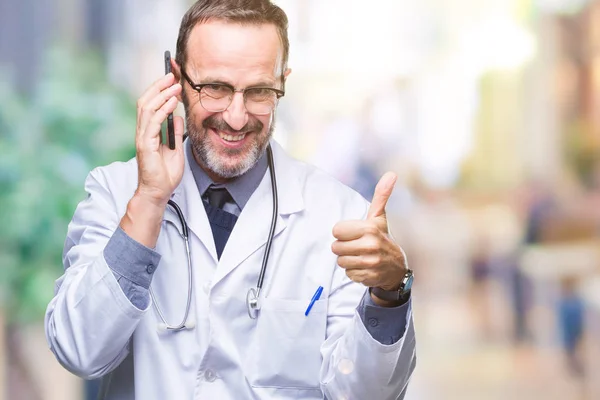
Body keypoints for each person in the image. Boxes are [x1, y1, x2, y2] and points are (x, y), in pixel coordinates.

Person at [44, 1, 416, 399]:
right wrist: (150, 200)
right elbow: (79, 351)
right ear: (176, 80)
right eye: (216, 88)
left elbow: (364, 394)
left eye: (258, 91)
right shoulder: (116, 193)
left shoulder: (341, 215)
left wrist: (389, 294)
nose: (236, 117)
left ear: (282, 84)